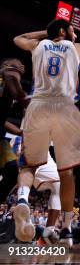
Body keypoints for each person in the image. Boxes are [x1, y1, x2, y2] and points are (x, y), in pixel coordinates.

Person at [13, 17, 80, 246]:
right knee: (66, 173)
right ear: (64, 32)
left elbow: (18, 39)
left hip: (39, 105)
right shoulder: (78, 47)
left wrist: (46, 32)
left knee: (29, 165)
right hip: (65, 109)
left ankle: (23, 199)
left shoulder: (38, 45)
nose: (77, 34)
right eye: (73, 31)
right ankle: (65, 228)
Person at [7, 121, 61, 244]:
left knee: (58, 185)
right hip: (28, 142)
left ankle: (24, 210)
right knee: (58, 187)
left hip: (33, 147)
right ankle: (46, 231)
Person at [0, 58, 28, 203]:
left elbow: (3, 121)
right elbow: (19, 94)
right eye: (18, 62)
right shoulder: (7, 73)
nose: (22, 65)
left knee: (12, 172)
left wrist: (20, 132)